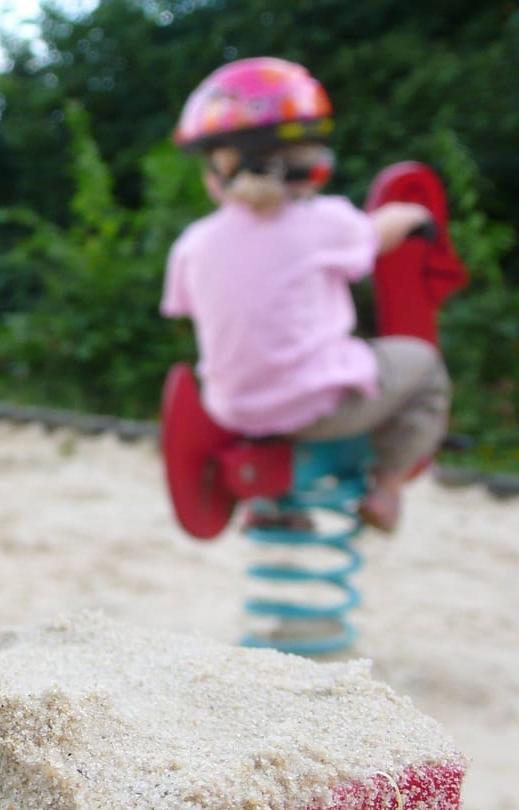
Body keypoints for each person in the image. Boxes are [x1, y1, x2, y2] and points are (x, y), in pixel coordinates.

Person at [161, 58, 448, 533]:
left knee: (273, 370)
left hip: (234, 409)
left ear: (219, 170)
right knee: (423, 366)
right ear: (312, 163)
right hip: (318, 408)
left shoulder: (193, 244)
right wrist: (412, 215)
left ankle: (272, 504)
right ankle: (388, 487)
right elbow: (380, 233)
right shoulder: (326, 223)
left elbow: (189, 309)